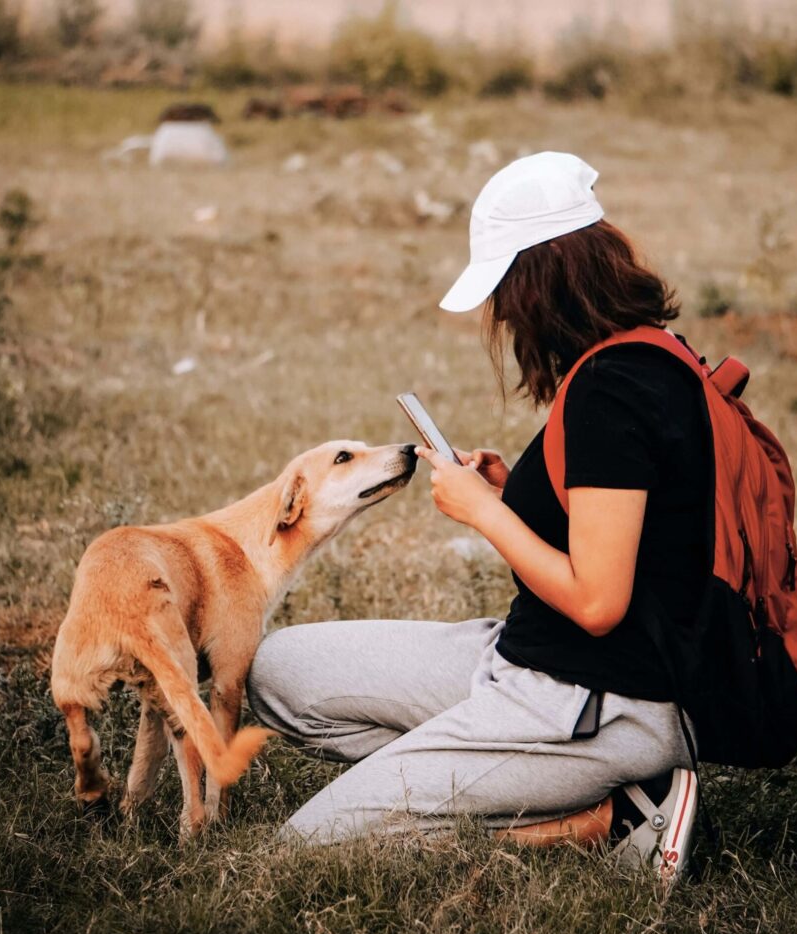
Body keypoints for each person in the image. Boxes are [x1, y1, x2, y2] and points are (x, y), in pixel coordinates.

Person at [246, 152, 711, 881]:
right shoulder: (641, 358)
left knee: (311, 847)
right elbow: (617, 522)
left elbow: (599, 601)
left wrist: (485, 514)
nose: (501, 312)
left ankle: (612, 818)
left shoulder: (612, 396)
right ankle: (472, 776)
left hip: (593, 705)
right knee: (275, 671)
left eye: (504, 288)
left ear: (541, 281)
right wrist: (510, 494)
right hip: (522, 659)